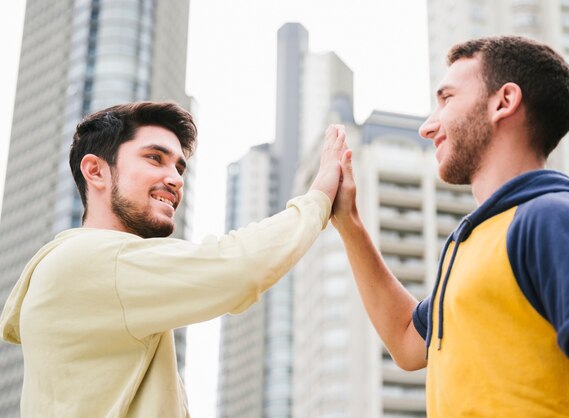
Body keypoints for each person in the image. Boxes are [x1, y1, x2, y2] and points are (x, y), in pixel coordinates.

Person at [331, 36, 569, 417]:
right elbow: (407, 339)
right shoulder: (474, 242)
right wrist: (348, 223)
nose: (427, 126)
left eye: (447, 98)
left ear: (504, 101)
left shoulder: (553, 220)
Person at [0, 101, 348, 417]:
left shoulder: (96, 275)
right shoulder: (93, 261)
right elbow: (237, 266)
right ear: (95, 171)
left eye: (180, 168)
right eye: (154, 158)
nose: (176, 179)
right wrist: (318, 197)